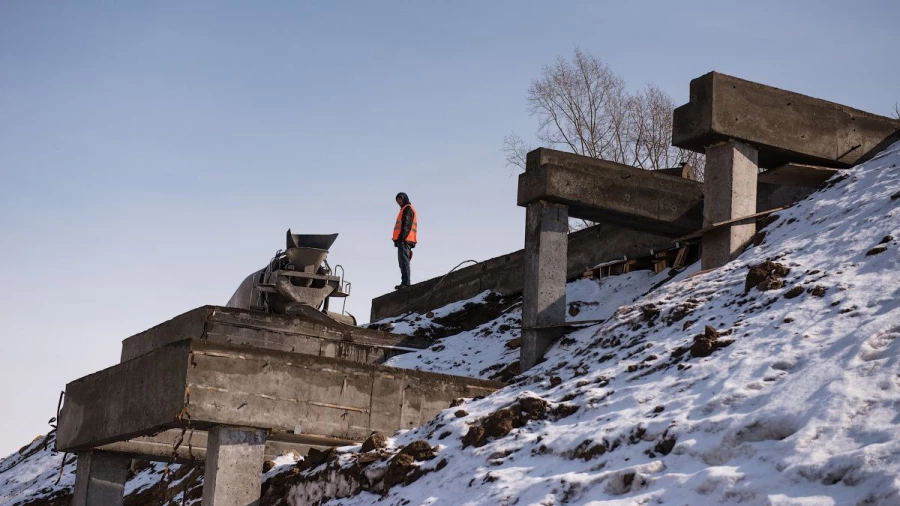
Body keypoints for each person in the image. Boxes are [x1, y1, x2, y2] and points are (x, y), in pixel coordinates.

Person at [392, 192, 417, 289]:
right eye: (397, 200)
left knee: (404, 261)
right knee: (402, 262)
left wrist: (402, 238)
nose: (399, 201)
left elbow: (406, 224)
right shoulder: (405, 209)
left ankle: (406, 283)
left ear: (405, 199)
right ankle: (404, 282)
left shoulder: (407, 209)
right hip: (404, 240)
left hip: (405, 240)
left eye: (400, 199)